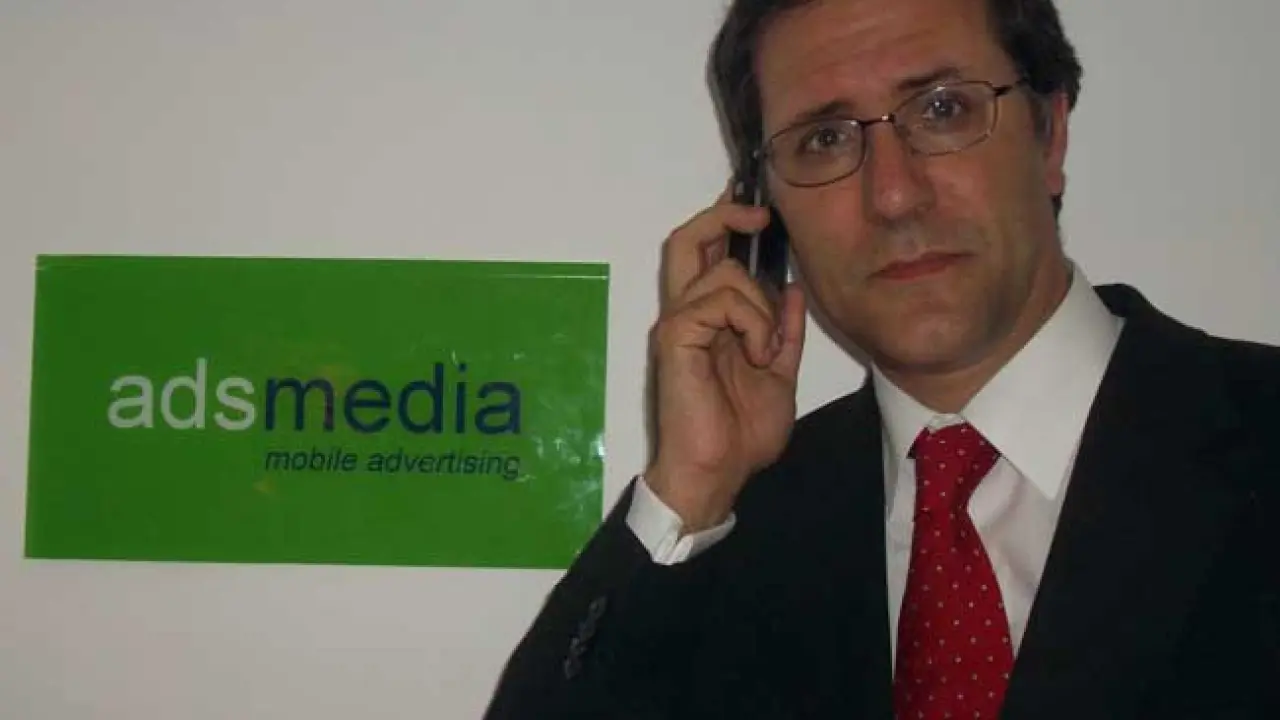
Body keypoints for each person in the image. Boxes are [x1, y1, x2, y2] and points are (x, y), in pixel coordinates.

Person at [484, 0, 1280, 717]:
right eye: (825, 139)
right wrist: (689, 491)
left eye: (942, 109)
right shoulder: (735, 533)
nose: (894, 195)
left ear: (1050, 134)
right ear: (765, 211)